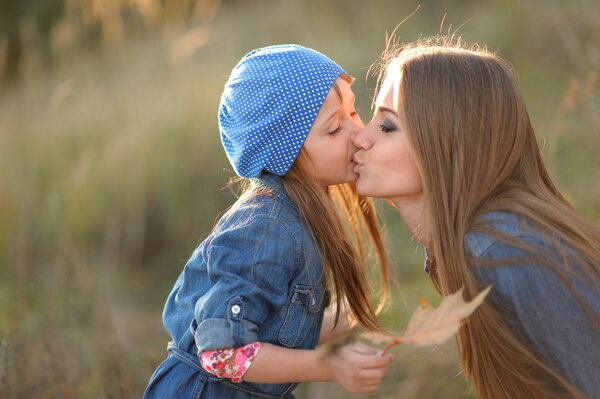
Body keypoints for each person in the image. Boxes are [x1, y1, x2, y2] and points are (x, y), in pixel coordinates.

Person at [351, 36, 600, 399]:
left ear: (448, 142)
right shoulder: (474, 244)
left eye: (387, 126)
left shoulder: (500, 252)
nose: (361, 137)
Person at [143, 44, 394, 399]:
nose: (359, 132)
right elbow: (220, 356)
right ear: (285, 153)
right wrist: (329, 365)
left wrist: (350, 319)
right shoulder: (266, 228)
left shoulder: (299, 215)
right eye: (335, 127)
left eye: (354, 111)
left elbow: (273, 330)